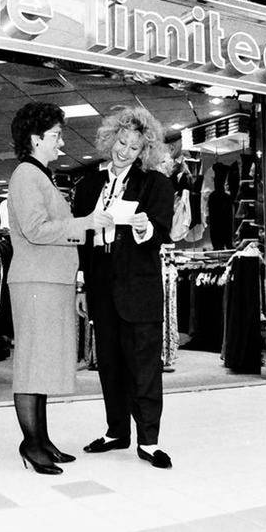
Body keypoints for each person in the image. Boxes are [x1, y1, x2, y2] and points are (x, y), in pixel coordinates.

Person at [7, 102, 114, 475]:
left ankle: (41, 439)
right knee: (32, 364)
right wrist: (83, 222)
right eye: (54, 135)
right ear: (36, 139)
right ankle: (30, 443)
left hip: (48, 282)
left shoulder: (39, 174)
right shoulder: (26, 175)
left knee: (42, 364)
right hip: (36, 281)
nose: (60, 141)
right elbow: (36, 229)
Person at [73, 106, 175, 469]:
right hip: (101, 289)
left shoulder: (156, 184)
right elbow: (83, 243)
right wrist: (82, 286)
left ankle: (149, 441)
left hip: (140, 290)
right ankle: (117, 431)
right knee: (110, 366)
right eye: (121, 141)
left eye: (134, 147)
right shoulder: (87, 188)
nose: (125, 151)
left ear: (144, 151)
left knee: (144, 367)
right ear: (110, 138)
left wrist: (144, 227)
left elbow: (160, 233)